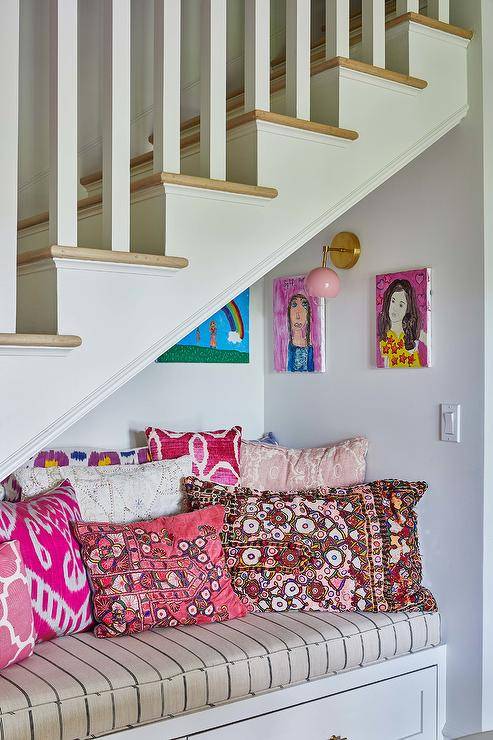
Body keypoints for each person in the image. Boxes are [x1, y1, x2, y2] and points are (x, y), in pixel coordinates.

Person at [378, 279, 427, 368]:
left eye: (401, 305)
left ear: (407, 309)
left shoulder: (415, 335)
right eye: (393, 301)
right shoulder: (384, 338)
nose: (394, 308)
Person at [287, 293, 314, 372]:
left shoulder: (310, 349)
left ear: (308, 314)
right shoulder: (286, 348)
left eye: (304, 305)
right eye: (294, 305)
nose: (298, 316)